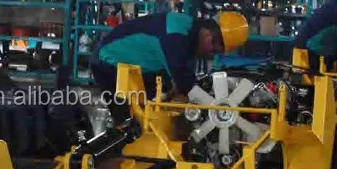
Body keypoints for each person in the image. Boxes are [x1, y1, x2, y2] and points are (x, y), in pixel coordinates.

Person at [90, 10, 249, 110]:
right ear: (209, 35)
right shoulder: (176, 33)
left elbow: (181, 78)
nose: (209, 53)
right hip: (109, 63)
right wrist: (214, 107)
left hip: (140, 69)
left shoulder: (189, 35)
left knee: (157, 108)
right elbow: (183, 78)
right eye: (213, 49)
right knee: (129, 122)